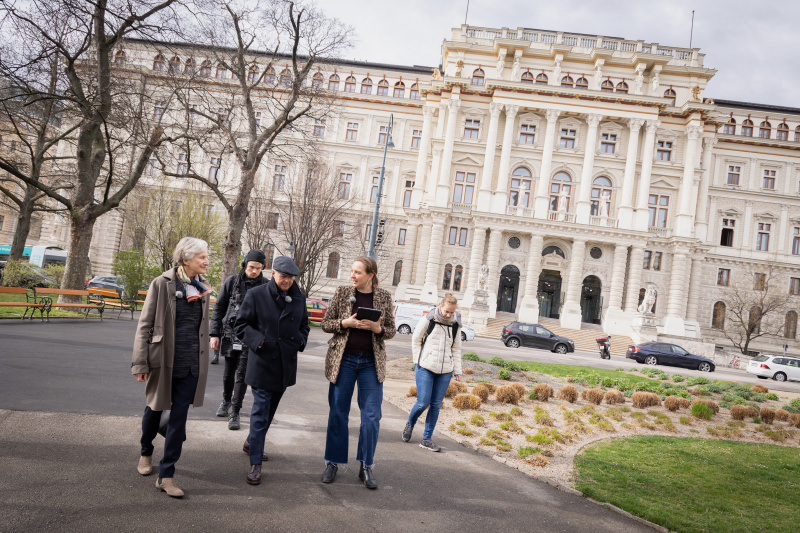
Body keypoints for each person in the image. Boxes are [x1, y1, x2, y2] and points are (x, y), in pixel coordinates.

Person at [131, 237, 212, 498]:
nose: (206, 261)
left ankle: (166, 475)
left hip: (190, 365)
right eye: (202, 257)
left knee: (178, 420)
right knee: (154, 410)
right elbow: (145, 325)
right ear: (186, 259)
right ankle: (146, 451)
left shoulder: (201, 288)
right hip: (162, 361)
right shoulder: (162, 283)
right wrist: (140, 362)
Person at [320, 256, 396, 489]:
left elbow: (391, 330)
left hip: (371, 363)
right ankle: (333, 461)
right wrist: (345, 324)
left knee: (372, 417)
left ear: (370, 275)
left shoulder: (383, 296)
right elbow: (326, 323)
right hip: (344, 361)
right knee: (338, 413)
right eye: (352, 271)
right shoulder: (342, 292)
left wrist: (378, 328)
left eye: (357, 272)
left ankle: (366, 464)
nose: (352, 275)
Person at [234, 255, 309, 485]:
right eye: (283, 276)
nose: (287, 281)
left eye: (291, 277)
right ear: (273, 273)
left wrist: (299, 341)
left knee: (269, 412)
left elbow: (304, 325)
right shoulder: (256, 295)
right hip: (263, 362)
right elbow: (240, 325)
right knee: (260, 411)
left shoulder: (298, 298)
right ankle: (255, 463)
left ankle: (250, 443)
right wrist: (260, 342)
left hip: (285, 364)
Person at [210, 249, 268, 431]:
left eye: (258, 268)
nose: (254, 271)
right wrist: (214, 334)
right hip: (229, 332)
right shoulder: (232, 282)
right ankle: (226, 400)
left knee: (242, 375)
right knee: (228, 372)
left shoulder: (266, 285)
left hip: (250, 336)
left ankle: (235, 411)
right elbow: (219, 308)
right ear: (245, 265)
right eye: (252, 267)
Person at [402, 294, 462, 452]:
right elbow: (416, 339)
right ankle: (410, 423)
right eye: (446, 311)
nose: (448, 315)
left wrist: (458, 370)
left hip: (445, 370)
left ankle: (426, 438)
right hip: (425, 366)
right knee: (423, 402)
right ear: (441, 306)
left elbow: (456, 349)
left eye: (451, 312)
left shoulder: (455, 324)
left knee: (435, 405)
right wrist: (417, 361)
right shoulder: (429, 319)